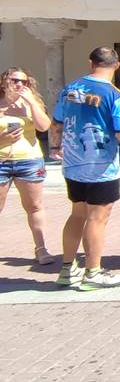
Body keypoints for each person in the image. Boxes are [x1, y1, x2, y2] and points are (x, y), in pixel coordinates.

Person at [50, 47, 120, 290]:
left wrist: (55, 146)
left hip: (73, 162)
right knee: (98, 218)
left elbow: (56, 122)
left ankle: (67, 268)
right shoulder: (116, 95)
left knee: (77, 213)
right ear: (117, 65)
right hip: (101, 165)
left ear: (91, 63)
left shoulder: (69, 89)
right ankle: (93, 271)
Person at [0, 67, 54, 264]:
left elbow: (44, 126)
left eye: (25, 81)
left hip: (29, 160)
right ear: (4, 81)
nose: (20, 84)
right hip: (1, 160)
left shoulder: (31, 103)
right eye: (15, 80)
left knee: (35, 205)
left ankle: (41, 249)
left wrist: (31, 102)